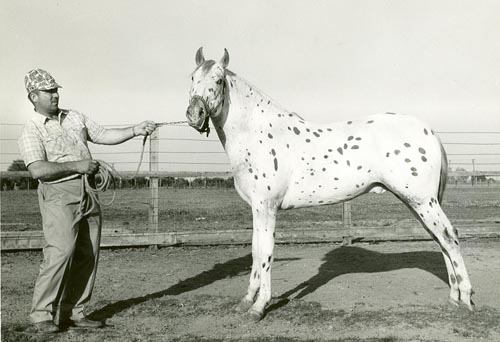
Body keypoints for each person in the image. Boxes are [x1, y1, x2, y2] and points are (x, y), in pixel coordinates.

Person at [18, 69, 157, 333]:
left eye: (55, 89)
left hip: (88, 191)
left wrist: (135, 130)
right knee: (60, 252)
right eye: (48, 91)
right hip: (58, 194)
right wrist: (78, 165)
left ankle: (75, 311)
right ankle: (41, 315)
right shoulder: (32, 129)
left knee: (88, 253)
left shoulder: (75, 117)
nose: (55, 94)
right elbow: (37, 170)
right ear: (33, 96)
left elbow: (104, 135)